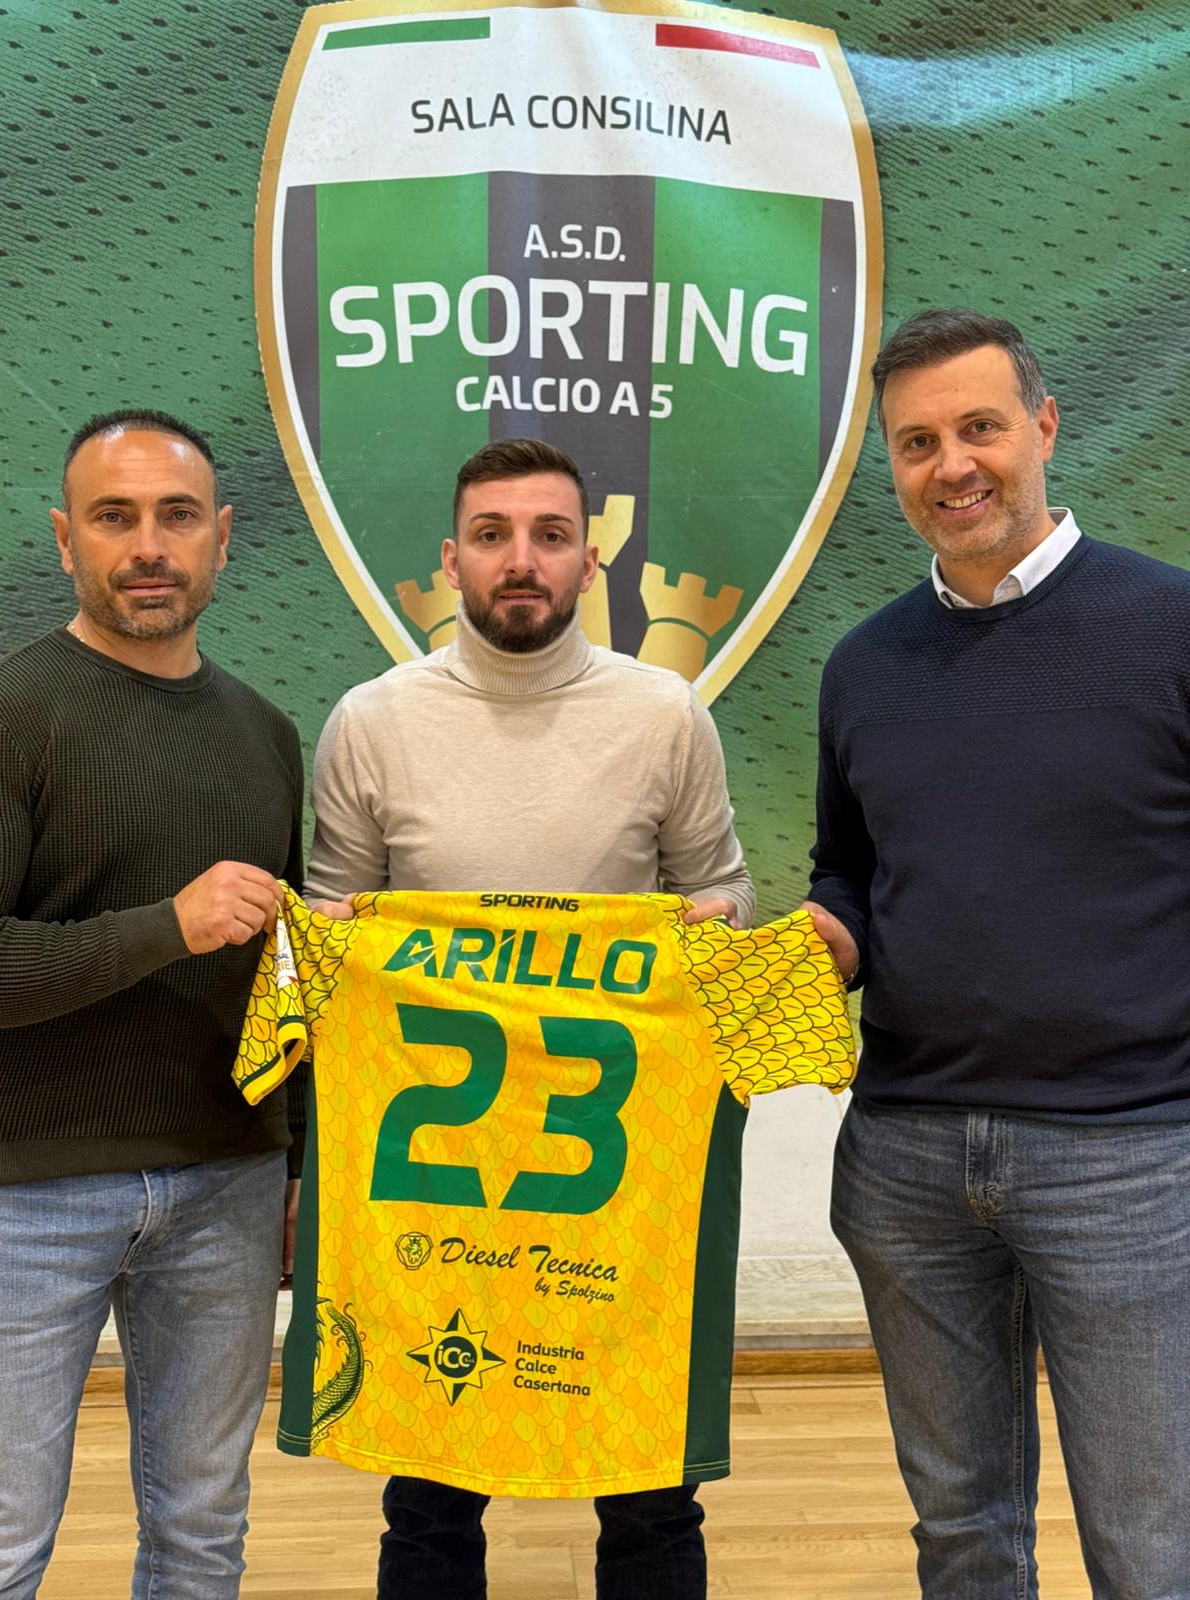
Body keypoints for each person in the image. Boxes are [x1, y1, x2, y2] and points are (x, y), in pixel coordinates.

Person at [306, 435, 754, 1600]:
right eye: (493, 536)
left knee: (651, 1488)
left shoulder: (666, 715)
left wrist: (712, 926)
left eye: (551, 536)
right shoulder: (371, 721)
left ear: (590, 560)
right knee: (428, 1495)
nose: (522, 560)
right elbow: (333, 941)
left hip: (614, 1176)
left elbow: (723, 891)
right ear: (451, 557)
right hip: (437, 1177)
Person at [805, 308, 1190, 1597]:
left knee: (1153, 1547)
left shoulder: (1171, 626)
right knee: (962, 1535)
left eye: (979, 427)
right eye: (917, 442)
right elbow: (849, 870)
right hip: (906, 1159)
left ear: (1044, 426)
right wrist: (825, 935)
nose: (952, 464)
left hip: (1131, 1160)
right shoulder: (862, 667)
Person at [0, 410, 304, 1599]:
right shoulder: (11, 712)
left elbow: (286, 988)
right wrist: (166, 926)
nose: (149, 546)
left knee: (201, 1533)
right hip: (25, 1196)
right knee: (2, 1539)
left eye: (176, 516)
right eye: (114, 517)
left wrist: (299, 1165)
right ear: (65, 538)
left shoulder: (267, 735)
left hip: (229, 1186)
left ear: (222, 537)